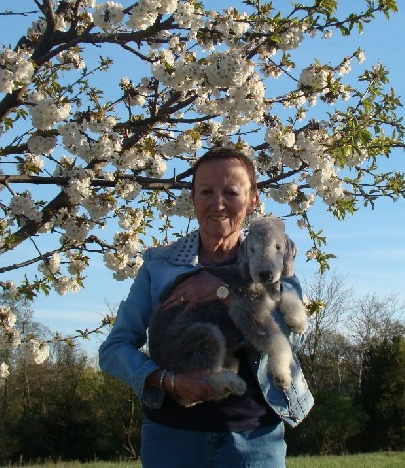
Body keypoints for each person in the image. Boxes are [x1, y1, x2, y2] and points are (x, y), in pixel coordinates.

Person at [99, 147, 314, 467]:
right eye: (206, 192)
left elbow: (293, 336)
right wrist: (168, 380)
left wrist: (223, 291)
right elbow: (114, 350)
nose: (218, 204)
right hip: (171, 440)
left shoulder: (275, 260)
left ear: (253, 199)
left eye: (231, 192)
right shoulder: (158, 265)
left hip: (254, 443)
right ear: (193, 197)